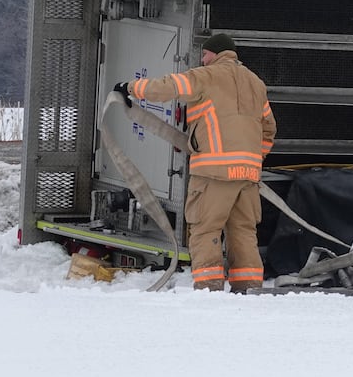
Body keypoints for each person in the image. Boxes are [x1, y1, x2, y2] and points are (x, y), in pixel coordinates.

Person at [114, 33, 276, 293]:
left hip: (213, 172)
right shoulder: (256, 83)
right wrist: (254, 159)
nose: (202, 59)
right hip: (247, 175)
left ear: (215, 54)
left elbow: (166, 87)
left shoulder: (206, 76)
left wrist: (130, 88)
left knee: (205, 229)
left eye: (205, 54)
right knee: (244, 232)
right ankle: (248, 288)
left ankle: (209, 289)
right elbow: (269, 130)